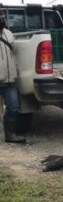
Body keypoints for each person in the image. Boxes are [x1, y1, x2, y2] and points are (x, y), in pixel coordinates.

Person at [0, 10, 26, 143]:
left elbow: (13, 53)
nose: (1, 17)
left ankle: (10, 135)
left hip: (10, 81)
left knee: (13, 107)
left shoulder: (9, 34)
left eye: (2, 15)